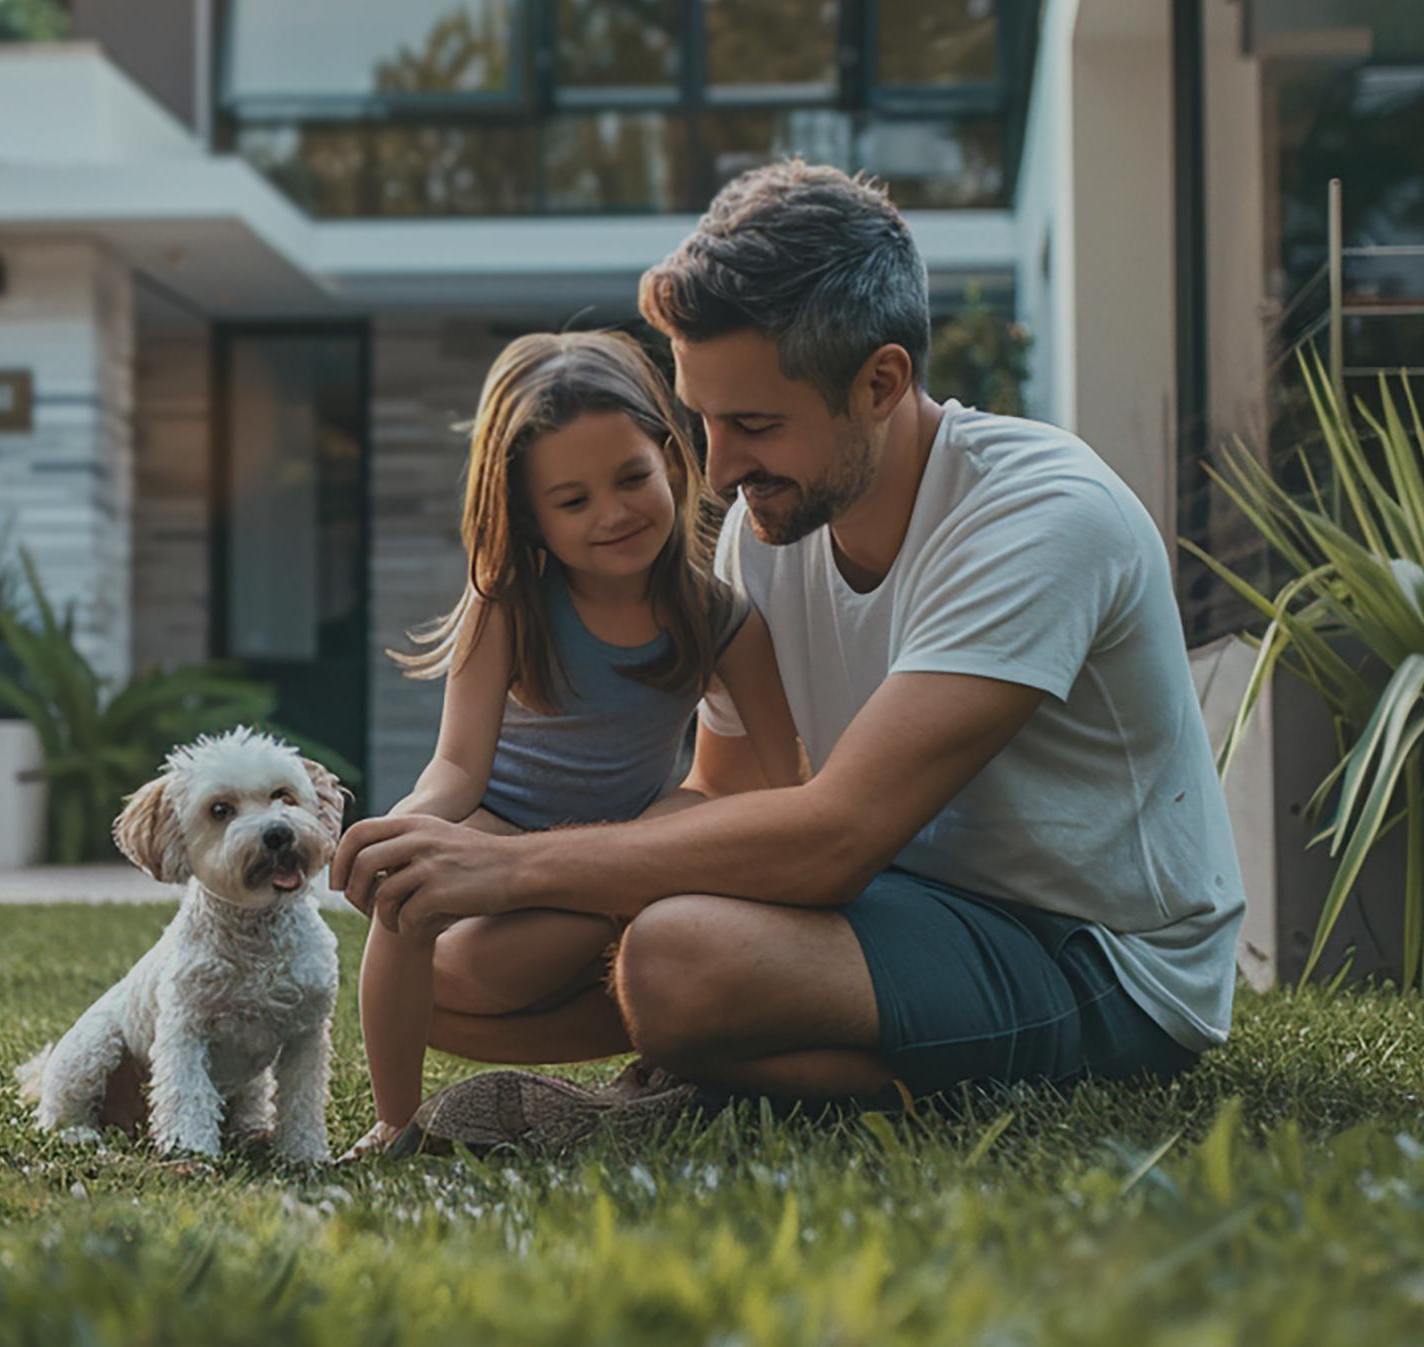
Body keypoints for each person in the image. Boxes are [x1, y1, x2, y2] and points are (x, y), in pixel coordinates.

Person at [334, 161, 1245, 1151]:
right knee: (463, 981)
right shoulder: (769, 527)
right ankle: (726, 1053)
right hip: (905, 909)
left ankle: (785, 1075)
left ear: (881, 382)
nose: (717, 469)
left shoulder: (1039, 519)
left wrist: (512, 871)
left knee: (673, 952)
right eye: (703, 420)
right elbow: (725, 796)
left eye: (755, 425)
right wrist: (484, 872)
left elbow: (835, 833)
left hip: (1093, 955)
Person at [338, 330, 803, 1162]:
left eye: (630, 477)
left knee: (682, 821)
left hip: (623, 843)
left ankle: (673, 1033)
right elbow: (456, 767)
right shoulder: (510, 603)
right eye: (574, 500)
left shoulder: (722, 618)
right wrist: (411, 824)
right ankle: (393, 1123)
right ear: (531, 515)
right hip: (500, 825)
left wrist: (692, 849)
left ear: (669, 456)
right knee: (423, 908)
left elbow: (781, 782)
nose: (615, 514)